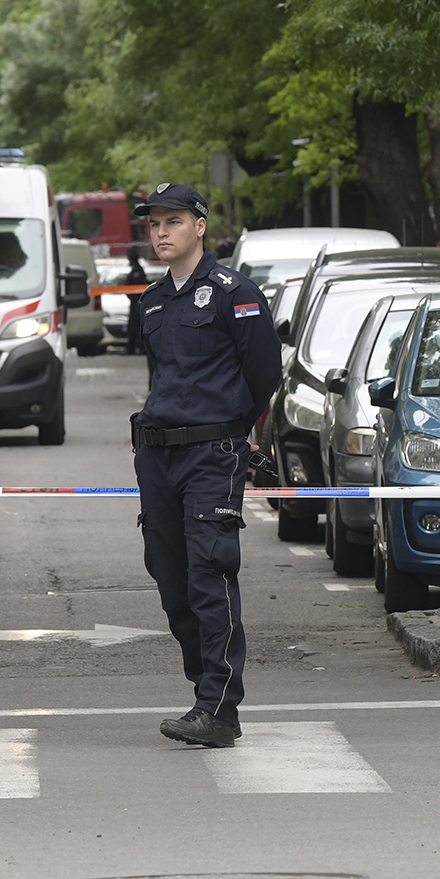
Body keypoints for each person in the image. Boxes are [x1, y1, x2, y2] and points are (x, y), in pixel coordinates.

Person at [130, 183, 284, 747]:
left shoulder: (233, 293)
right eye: (154, 223)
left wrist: (230, 432)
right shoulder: (150, 301)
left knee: (209, 572)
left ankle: (219, 706)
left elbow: (264, 372)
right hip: (157, 454)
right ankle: (205, 692)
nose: (161, 231)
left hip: (211, 454)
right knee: (170, 579)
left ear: (200, 225)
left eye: (173, 221)